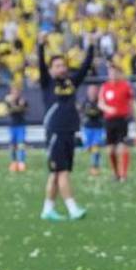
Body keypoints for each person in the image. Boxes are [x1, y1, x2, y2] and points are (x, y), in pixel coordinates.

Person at [37, 35, 92, 221]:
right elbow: (41, 66)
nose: (62, 68)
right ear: (51, 70)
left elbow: (85, 68)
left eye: (63, 65)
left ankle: (47, 209)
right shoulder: (47, 83)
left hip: (69, 131)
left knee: (56, 172)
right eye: (57, 66)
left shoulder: (70, 83)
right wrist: (40, 46)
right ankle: (72, 208)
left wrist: (91, 45)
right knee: (62, 172)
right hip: (56, 132)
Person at [100, 64, 135, 181]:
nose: (113, 75)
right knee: (110, 150)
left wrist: (134, 117)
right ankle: (116, 173)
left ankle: (123, 175)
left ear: (119, 73)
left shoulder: (125, 86)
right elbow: (101, 103)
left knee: (122, 147)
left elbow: (132, 102)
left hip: (122, 120)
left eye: (115, 72)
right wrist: (107, 109)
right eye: (110, 73)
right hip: (109, 121)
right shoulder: (105, 87)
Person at [80, 84, 106, 176]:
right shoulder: (85, 102)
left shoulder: (101, 101)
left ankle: (95, 166)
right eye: (91, 91)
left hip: (98, 128)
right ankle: (95, 162)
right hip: (87, 128)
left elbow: (103, 112)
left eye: (94, 91)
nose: (92, 93)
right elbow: (81, 112)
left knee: (96, 146)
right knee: (88, 147)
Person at [7, 82, 28, 173]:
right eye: (13, 91)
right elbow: (10, 111)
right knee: (13, 145)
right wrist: (18, 106)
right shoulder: (9, 101)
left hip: (21, 125)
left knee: (21, 144)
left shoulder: (23, 100)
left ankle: (21, 162)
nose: (15, 93)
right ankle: (13, 162)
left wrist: (19, 106)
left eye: (16, 91)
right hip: (12, 125)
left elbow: (26, 110)